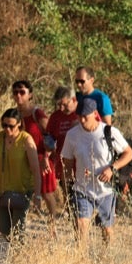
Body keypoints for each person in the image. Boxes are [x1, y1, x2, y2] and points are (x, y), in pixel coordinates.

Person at [59, 101, 132, 245]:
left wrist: (112, 168)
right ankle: (81, 261)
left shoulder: (109, 132)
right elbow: (66, 163)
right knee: (81, 225)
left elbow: (128, 153)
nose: (82, 120)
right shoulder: (72, 135)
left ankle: (108, 260)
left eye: (85, 116)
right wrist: (67, 187)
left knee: (107, 230)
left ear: (94, 113)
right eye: (79, 116)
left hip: (105, 190)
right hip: (82, 189)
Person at [0, 108, 42, 240]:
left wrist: (37, 196)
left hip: (21, 192)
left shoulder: (26, 140)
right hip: (2, 192)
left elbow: (36, 170)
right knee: (4, 232)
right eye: (4, 125)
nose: (7, 129)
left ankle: (19, 258)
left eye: (11, 126)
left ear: (19, 124)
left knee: (17, 234)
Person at [11, 80, 59, 226]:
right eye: (15, 92)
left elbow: (51, 136)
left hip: (41, 157)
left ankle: (52, 227)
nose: (18, 95)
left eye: (22, 92)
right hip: (23, 158)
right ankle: (18, 225)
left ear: (30, 94)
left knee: (46, 193)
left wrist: (46, 156)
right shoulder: (15, 114)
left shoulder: (36, 113)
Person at [46, 86, 80, 216]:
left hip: (83, 163)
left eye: (64, 104)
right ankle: (71, 215)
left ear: (73, 100)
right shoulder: (55, 117)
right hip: (63, 163)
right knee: (69, 194)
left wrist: (80, 125)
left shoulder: (84, 112)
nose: (61, 108)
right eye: (58, 105)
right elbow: (49, 137)